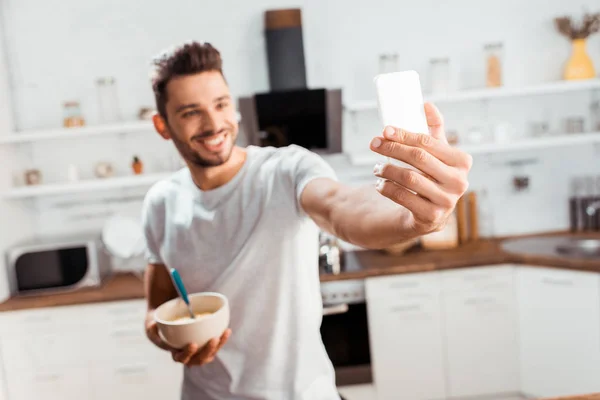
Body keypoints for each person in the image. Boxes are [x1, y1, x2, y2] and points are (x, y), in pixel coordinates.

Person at [142, 41, 472, 400]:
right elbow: (156, 310)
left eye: (221, 104)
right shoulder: (161, 202)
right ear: (163, 125)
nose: (213, 123)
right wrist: (169, 337)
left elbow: (339, 206)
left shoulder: (286, 169)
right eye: (191, 112)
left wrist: (411, 218)